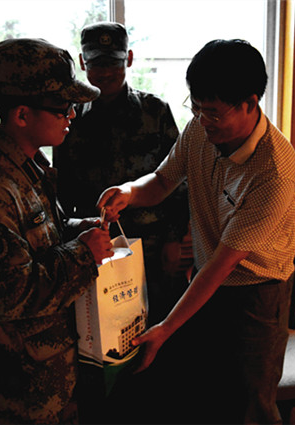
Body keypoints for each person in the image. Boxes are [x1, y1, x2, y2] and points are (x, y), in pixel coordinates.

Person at [97, 39, 295, 424]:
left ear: (250, 103)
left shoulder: (274, 171)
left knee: (249, 404)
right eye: (196, 107)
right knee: (204, 392)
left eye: (213, 112)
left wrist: (166, 328)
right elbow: (162, 181)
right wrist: (128, 192)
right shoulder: (200, 130)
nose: (202, 119)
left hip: (255, 294)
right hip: (207, 282)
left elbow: (224, 264)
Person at [0, 38, 115, 424]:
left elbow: (44, 239)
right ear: (22, 115)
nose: (72, 114)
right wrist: (83, 253)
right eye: (62, 107)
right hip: (15, 396)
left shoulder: (28, 167)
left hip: (50, 381)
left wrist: (81, 230)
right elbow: (9, 294)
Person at [54, 22, 189, 326]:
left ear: (128, 59)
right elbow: (61, 191)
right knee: (104, 332)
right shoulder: (69, 119)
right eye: (96, 64)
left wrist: (174, 238)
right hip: (94, 249)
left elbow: (179, 180)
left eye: (113, 63)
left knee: (161, 326)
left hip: (153, 247)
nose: (104, 73)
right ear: (82, 63)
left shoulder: (155, 111)